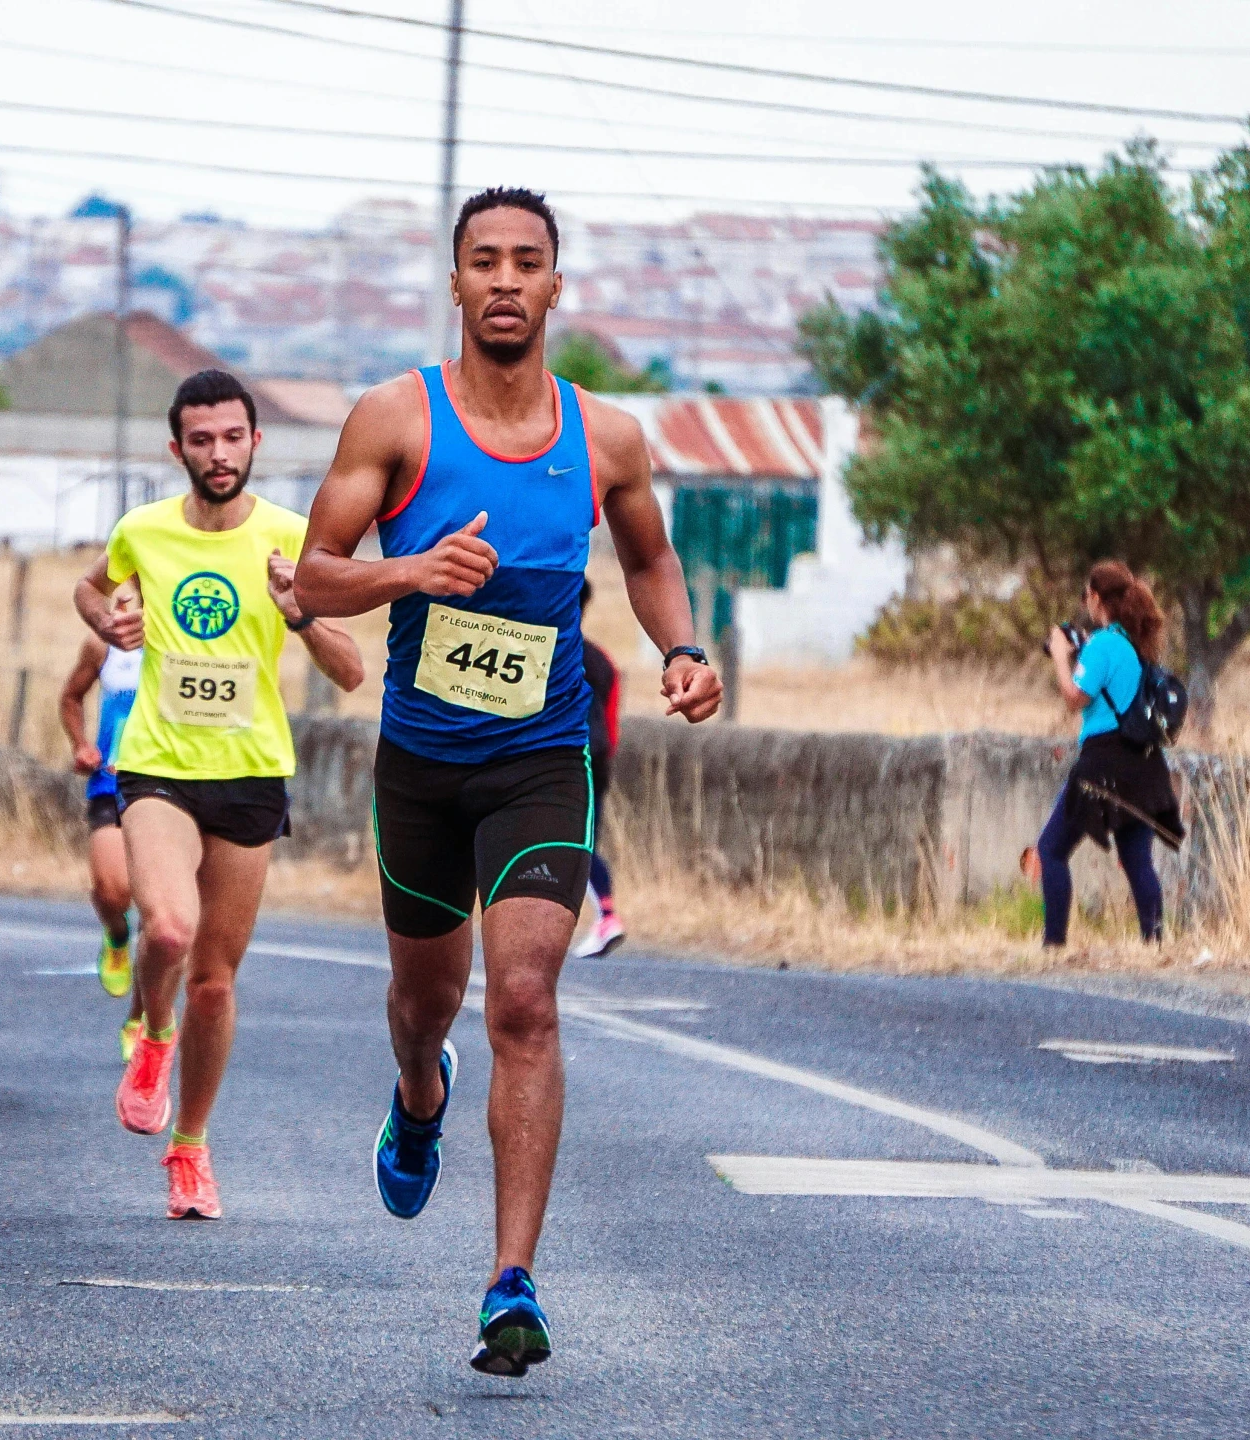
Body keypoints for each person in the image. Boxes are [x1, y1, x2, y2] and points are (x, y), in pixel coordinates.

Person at [295, 187, 723, 1376]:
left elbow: (650, 560)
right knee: (425, 1007)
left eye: (524, 263)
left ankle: (510, 1283)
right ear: (454, 283)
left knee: (525, 1000)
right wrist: (412, 572)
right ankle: (419, 1099)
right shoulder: (395, 420)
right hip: (424, 765)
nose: (502, 281)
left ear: (553, 287)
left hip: (542, 759)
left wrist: (682, 650)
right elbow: (312, 580)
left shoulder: (610, 438)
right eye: (481, 261)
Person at [73, 368, 365, 1220]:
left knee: (215, 980)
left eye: (232, 437)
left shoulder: (291, 536)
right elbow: (90, 587)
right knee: (167, 926)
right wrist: (107, 622)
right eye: (201, 440)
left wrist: (301, 612)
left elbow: (350, 671)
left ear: (254, 443)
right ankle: (151, 1034)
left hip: (250, 773)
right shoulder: (144, 531)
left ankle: (190, 1148)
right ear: (178, 449)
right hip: (158, 764)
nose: (218, 453)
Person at [1037, 560, 1184, 948]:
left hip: (1104, 762)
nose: (1084, 601)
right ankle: (1154, 945)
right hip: (1143, 763)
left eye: (1086, 594)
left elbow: (1074, 698)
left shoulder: (1103, 644)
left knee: (1051, 849)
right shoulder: (1131, 644)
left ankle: (1053, 945)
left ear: (1097, 598)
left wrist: (1059, 654)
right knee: (1138, 863)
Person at [59, 609, 149, 1056]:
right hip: (110, 785)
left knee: (161, 916)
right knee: (112, 891)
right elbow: (71, 697)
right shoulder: (104, 643)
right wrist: (81, 745)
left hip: (169, 785)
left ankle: (141, 1020)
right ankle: (116, 935)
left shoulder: (196, 643)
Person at [572, 581, 623, 958]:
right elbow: (611, 719)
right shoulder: (602, 659)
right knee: (583, 840)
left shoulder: (549, 651)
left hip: (567, 756)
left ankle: (606, 915)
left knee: (577, 844)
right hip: (600, 756)